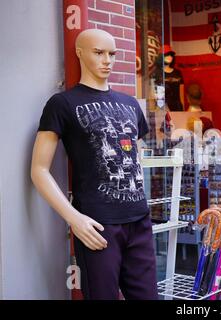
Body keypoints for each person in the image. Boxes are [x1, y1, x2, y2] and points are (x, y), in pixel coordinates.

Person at [30, 29, 158, 300]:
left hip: (138, 219)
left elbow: (136, 157)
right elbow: (39, 170)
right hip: (97, 224)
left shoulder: (130, 104)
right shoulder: (62, 104)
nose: (107, 60)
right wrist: (73, 218)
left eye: (112, 54)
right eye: (98, 52)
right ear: (80, 52)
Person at [162, 45, 184, 112]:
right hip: (164, 108)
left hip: (177, 107)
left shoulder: (178, 73)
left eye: (171, 55)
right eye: (166, 55)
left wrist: (183, 107)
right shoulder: (158, 74)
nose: (169, 57)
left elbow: (181, 94)